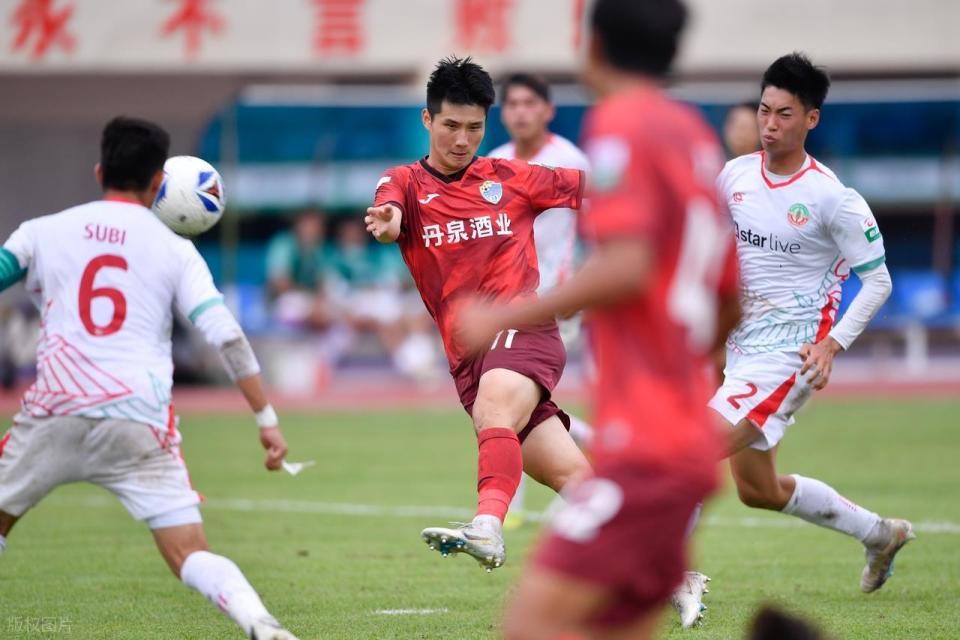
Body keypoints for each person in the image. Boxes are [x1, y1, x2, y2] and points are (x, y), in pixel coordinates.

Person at [457, 0, 741, 636]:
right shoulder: (693, 134)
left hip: (646, 447)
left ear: (594, 47)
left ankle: (490, 518)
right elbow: (730, 295)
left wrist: (507, 314)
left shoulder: (620, 125)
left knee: (531, 624)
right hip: (677, 435)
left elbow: (627, 265)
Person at [0, 117, 299, 640]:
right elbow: (226, 336)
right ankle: (259, 622)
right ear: (160, 182)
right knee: (190, 552)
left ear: (99, 172)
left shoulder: (42, 231)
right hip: (138, 419)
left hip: (55, 411)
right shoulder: (175, 250)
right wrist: (265, 418)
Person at [365, 56, 591, 571]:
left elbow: (597, 189)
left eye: (474, 128)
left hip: (525, 327)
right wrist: (387, 223)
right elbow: (389, 214)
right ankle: (675, 576)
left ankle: (487, 527)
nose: (462, 140)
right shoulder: (404, 183)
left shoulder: (512, 176)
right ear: (427, 120)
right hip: (468, 357)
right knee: (575, 480)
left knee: (494, 410)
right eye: (450, 126)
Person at [707, 52, 913, 595]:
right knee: (757, 490)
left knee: (690, 452)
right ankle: (880, 534)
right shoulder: (734, 175)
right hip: (740, 348)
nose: (769, 124)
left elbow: (878, 281)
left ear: (811, 118)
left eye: (784, 114)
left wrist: (831, 345)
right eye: (764, 110)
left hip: (791, 354)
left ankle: (656, 580)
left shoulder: (831, 197)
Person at [487, 73, 594, 527]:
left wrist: (582, 288)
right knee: (513, 399)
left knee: (506, 396)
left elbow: (605, 229)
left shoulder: (570, 161)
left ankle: (503, 506)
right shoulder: (493, 162)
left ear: (548, 110)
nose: (520, 112)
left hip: (554, 301)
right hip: (504, 303)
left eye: (530, 103)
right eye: (512, 103)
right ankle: (595, 448)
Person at [325, 220, 439, 380]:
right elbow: (334, 291)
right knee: (377, 324)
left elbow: (395, 283)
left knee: (413, 315)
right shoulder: (335, 258)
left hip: (382, 301)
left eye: (357, 232)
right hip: (352, 305)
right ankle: (414, 366)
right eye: (349, 233)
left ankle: (419, 364)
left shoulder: (376, 254)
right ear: (341, 236)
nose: (354, 236)